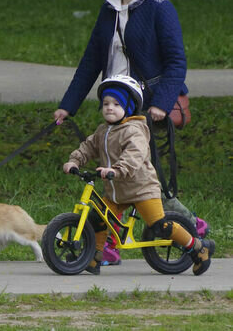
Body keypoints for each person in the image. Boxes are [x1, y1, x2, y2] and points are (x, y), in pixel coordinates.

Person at [53, 0, 207, 263]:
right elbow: (91, 60)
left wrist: (162, 104)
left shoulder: (159, 8)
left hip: (146, 106)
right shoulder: (109, 8)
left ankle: (188, 227)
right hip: (117, 103)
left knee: (140, 176)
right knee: (119, 175)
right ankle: (110, 241)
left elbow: (176, 62)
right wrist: (68, 105)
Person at [62, 76, 214, 276]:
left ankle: (196, 247)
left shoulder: (134, 131)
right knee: (97, 218)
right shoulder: (103, 131)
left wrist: (117, 169)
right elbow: (88, 147)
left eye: (116, 104)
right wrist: (75, 160)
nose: (109, 108)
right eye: (106, 103)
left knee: (160, 225)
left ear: (130, 107)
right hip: (118, 192)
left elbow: (133, 156)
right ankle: (93, 257)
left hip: (142, 188)